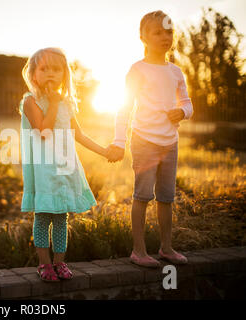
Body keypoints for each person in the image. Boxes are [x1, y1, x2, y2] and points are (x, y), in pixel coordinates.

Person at [106, 11, 193, 267]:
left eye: (169, 32)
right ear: (143, 37)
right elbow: (124, 108)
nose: (165, 37)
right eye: (158, 32)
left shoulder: (176, 72)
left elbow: (187, 103)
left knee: (166, 198)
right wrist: (119, 142)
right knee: (142, 196)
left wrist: (183, 112)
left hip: (170, 143)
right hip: (144, 141)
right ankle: (139, 251)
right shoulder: (137, 70)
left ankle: (166, 248)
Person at [19, 47, 108, 281]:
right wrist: (54, 103)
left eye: (56, 69)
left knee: (61, 218)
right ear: (33, 74)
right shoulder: (30, 101)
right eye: (44, 68)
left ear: (65, 75)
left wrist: (104, 151)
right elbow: (44, 130)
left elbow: (78, 134)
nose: (50, 73)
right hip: (44, 170)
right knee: (43, 215)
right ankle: (44, 264)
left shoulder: (66, 104)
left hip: (66, 167)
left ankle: (59, 263)